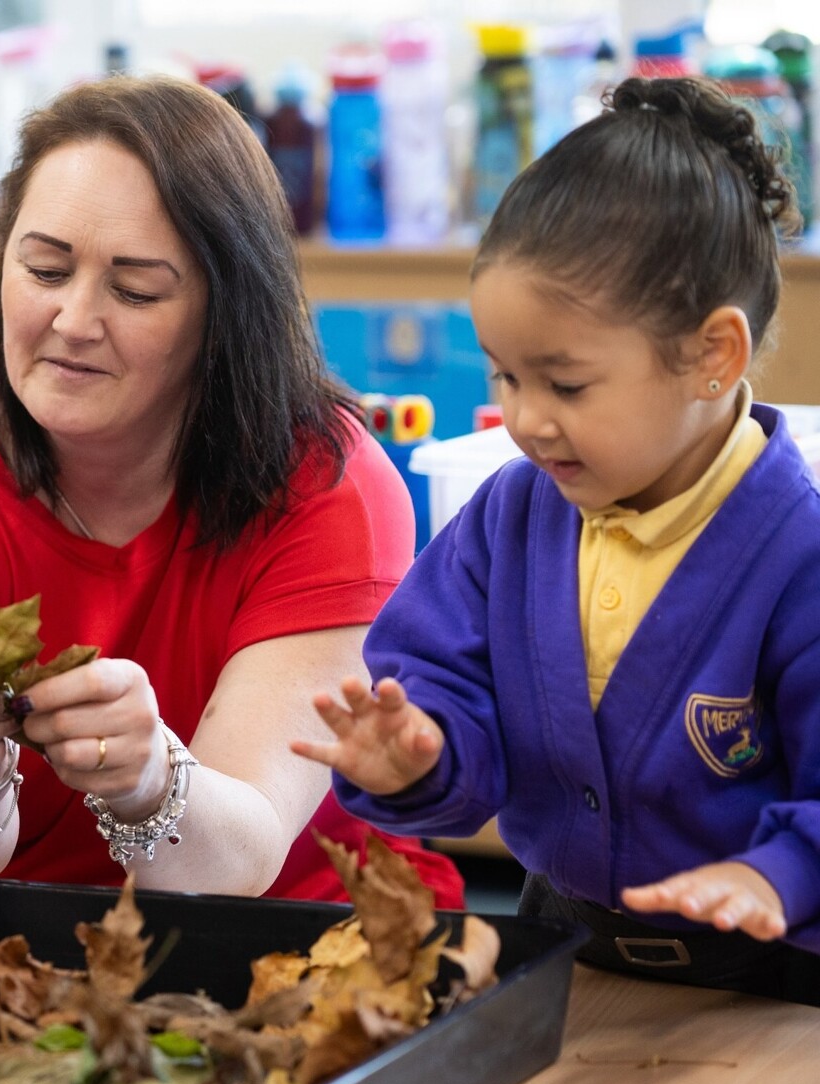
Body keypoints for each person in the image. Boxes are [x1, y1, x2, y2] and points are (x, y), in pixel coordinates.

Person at [0, 75, 463, 905]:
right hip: (17, 948)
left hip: (305, 941)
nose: (72, 321)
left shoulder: (328, 482)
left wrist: (149, 778)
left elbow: (239, 863)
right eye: (44, 269)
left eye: (134, 290)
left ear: (225, 312)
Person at [302, 78, 820, 1002]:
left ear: (713, 357)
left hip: (771, 982)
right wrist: (422, 754)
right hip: (562, 953)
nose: (524, 420)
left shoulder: (800, 555)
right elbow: (442, 685)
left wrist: (777, 874)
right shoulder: (511, 517)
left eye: (566, 385)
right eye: (506, 376)